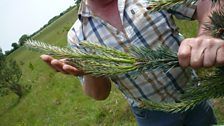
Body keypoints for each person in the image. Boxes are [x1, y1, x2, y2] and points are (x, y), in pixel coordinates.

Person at [41, 0, 224, 125]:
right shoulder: (77, 35)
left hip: (194, 96)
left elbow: (208, 3)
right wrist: (89, 70)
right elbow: (99, 94)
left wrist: (207, 34)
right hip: (152, 116)